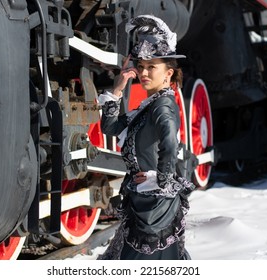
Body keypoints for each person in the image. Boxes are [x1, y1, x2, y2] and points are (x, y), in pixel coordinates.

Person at [97, 15, 195, 260]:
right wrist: (118, 88)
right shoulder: (148, 106)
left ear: (168, 73)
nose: (143, 72)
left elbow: (171, 143)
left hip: (154, 206)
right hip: (142, 200)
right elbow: (109, 128)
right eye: (141, 66)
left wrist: (160, 180)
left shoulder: (162, 105)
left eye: (152, 67)